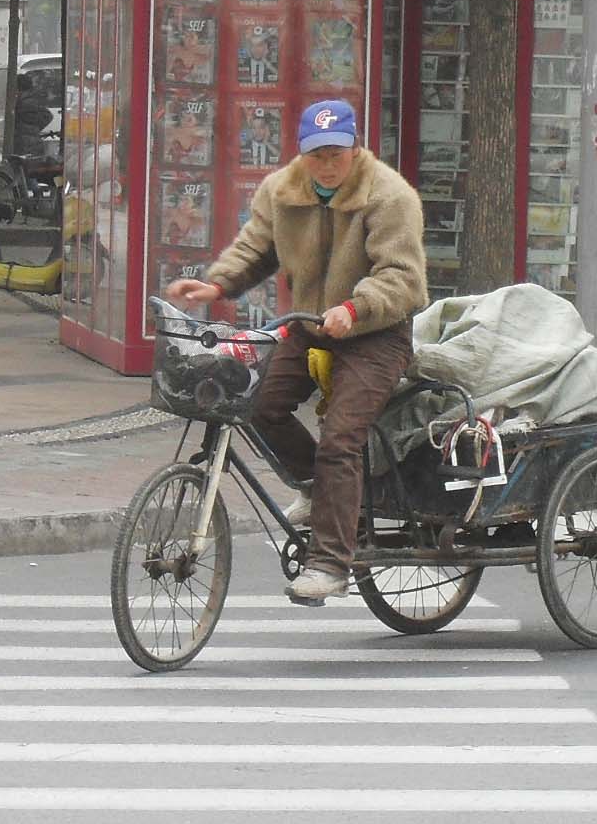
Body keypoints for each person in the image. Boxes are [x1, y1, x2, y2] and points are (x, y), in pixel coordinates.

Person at [165, 99, 428, 605]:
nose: (327, 164)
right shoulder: (281, 191)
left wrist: (356, 308)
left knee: (341, 438)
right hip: (310, 325)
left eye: (336, 153)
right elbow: (255, 248)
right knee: (255, 403)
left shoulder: (391, 196)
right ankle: (319, 489)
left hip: (375, 332)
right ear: (302, 154)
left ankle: (329, 564)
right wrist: (216, 286)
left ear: (354, 149)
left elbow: (404, 278)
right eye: (316, 155)